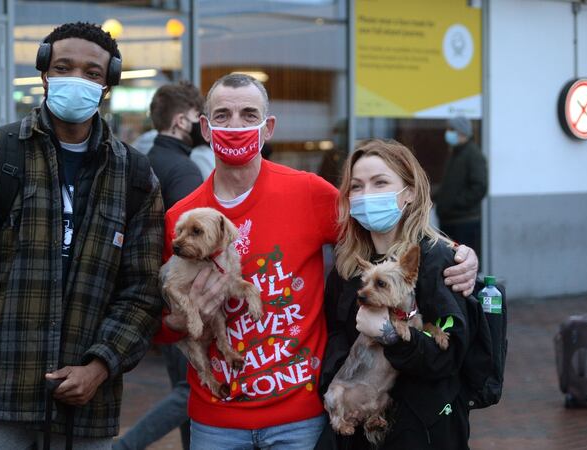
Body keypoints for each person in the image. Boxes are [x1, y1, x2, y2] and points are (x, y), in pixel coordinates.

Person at [155, 73, 478, 450]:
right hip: (216, 422)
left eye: (249, 114)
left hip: (301, 420)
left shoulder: (306, 192)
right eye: (223, 115)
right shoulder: (180, 218)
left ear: (268, 127)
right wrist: (179, 319)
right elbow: (158, 326)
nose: (236, 125)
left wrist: (459, 253)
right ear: (206, 129)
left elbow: (382, 234)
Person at [0, 22, 164, 450]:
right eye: (64, 67)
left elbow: (142, 292)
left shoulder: (135, 177)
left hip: (85, 411)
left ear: (108, 84)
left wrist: (99, 365)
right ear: (44, 73)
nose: (76, 80)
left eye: (92, 72)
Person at [316, 139, 474, 449]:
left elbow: (450, 355)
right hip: (359, 430)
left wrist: (391, 336)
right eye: (357, 186)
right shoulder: (347, 267)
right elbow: (334, 334)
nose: (366, 194)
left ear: (410, 193)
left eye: (380, 182)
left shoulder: (438, 261)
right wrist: (340, 386)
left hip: (422, 431)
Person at [114, 81, 205, 450]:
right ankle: (125, 446)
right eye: (202, 118)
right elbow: (194, 248)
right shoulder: (184, 172)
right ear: (183, 121)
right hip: (180, 298)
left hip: (145, 292)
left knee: (187, 390)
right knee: (190, 390)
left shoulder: (140, 162)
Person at [433, 116, 487, 260]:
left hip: (464, 223)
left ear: (461, 132)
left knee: (462, 263)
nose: (447, 132)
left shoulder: (473, 155)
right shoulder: (456, 153)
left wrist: (454, 204)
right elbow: (450, 186)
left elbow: (479, 188)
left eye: (451, 129)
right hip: (450, 221)